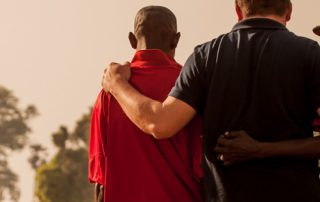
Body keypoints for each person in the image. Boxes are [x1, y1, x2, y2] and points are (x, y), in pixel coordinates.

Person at [102, 0, 320, 202]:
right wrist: (262, 149)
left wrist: (117, 85)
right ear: (289, 11)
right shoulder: (310, 55)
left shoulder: (205, 57)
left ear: (237, 9)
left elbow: (160, 124)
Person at [88, 6, 203, 202]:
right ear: (176, 39)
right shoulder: (192, 86)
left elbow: (101, 180)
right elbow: (202, 170)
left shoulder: (109, 93)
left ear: (132, 40)